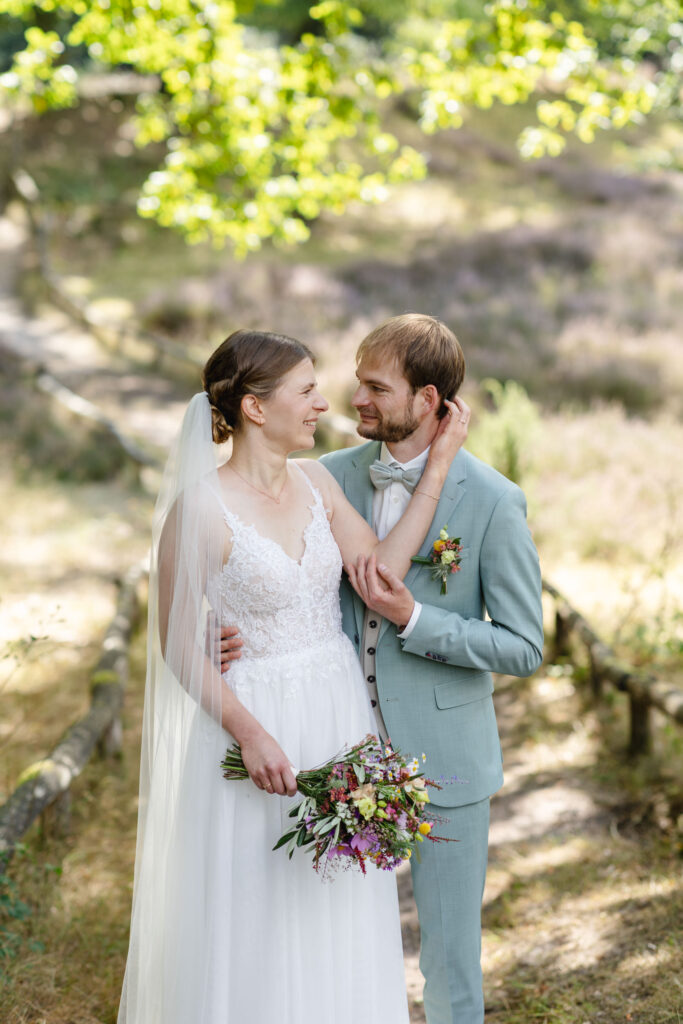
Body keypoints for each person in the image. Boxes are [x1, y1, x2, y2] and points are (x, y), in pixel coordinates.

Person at [118, 328, 469, 1024]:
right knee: (257, 897)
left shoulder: (315, 482)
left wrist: (437, 467)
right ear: (255, 407)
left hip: (335, 714)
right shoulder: (201, 508)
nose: (321, 404)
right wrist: (249, 734)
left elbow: (379, 579)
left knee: (332, 892)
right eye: (305, 391)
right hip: (256, 720)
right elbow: (179, 645)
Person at [220, 313, 544, 1024]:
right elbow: (262, 572)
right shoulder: (319, 478)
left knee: (449, 957)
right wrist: (215, 626)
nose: (352, 400)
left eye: (374, 387)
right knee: (323, 938)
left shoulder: (492, 501)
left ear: (427, 401)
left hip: (445, 755)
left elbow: (524, 645)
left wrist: (418, 622)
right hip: (327, 745)